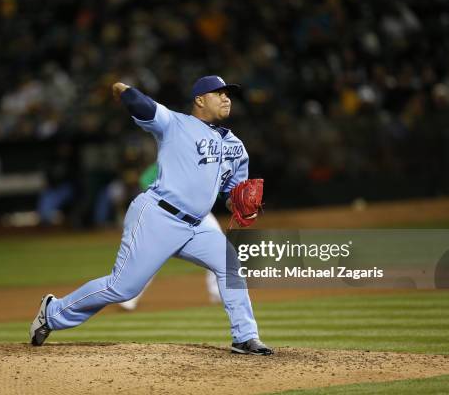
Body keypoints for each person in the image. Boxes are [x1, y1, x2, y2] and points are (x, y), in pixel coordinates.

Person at [30, 75, 273, 355]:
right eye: (219, 93)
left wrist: (243, 206)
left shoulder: (236, 147)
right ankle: (52, 312)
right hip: (158, 216)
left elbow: (232, 196)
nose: (226, 98)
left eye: (228, 94)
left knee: (230, 263)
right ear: (200, 100)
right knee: (123, 288)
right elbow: (143, 106)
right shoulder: (175, 123)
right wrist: (124, 90)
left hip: (197, 226)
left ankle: (245, 337)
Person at [119, 162, 221, 311]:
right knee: (153, 256)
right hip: (169, 214)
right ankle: (130, 296)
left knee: (219, 247)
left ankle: (218, 294)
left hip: (198, 212)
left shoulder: (202, 164)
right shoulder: (167, 161)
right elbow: (145, 181)